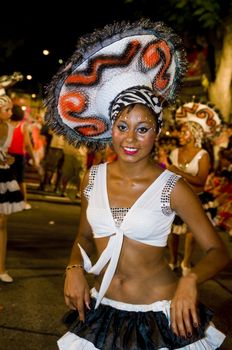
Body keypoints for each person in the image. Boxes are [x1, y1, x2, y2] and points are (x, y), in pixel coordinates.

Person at [45, 19, 230, 350]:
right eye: (122, 126)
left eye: (142, 128)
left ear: (156, 132)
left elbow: (218, 251)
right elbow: (85, 237)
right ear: (110, 128)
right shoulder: (93, 177)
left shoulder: (172, 187)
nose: (130, 138)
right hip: (101, 313)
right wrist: (73, 266)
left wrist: (190, 279)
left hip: (161, 316)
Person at [167, 101, 221, 275]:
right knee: (172, 232)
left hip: (195, 198)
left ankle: (186, 263)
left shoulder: (203, 155)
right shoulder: (174, 152)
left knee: (190, 233)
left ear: (194, 133)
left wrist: (178, 172)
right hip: (175, 199)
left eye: (184, 131)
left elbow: (201, 181)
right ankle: (172, 260)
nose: (180, 134)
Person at [0, 95, 25, 283]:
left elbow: (9, 155)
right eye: (7, 109)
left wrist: (10, 159)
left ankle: (1, 269)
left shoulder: (10, 128)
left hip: (3, 177)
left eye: (10, 109)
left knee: (2, 223)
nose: (11, 113)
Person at [8, 104, 37, 210]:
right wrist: (34, 158)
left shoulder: (6, 124)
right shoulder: (23, 126)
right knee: (20, 180)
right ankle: (23, 202)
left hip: (6, 155)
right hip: (19, 156)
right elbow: (28, 144)